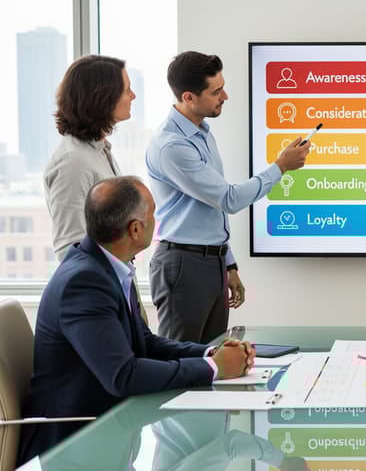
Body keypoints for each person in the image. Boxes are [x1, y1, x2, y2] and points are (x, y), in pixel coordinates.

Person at [17, 176, 254, 465]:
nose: (158, 220)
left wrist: (209, 353)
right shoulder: (84, 282)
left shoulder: (106, 266)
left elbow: (145, 343)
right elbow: (124, 375)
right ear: (135, 229)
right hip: (73, 445)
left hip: (107, 429)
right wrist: (215, 368)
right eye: (153, 213)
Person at [146, 51, 309, 343]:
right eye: (216, 91)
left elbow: (210, 208)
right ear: (189, 97)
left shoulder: (202, 132)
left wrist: (228, 264)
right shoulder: (172, 146)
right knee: (180, 357)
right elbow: (228, 199)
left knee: (213, 358)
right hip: (184, 265)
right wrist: (281, 166)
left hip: (210, 261)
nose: (226, 96)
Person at [44, 55, 135, 260]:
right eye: (127, 90)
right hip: (97, 279)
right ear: (103, 98)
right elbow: (69, 247)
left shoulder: (98, 150)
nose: (133, 96)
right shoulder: (72, 162)